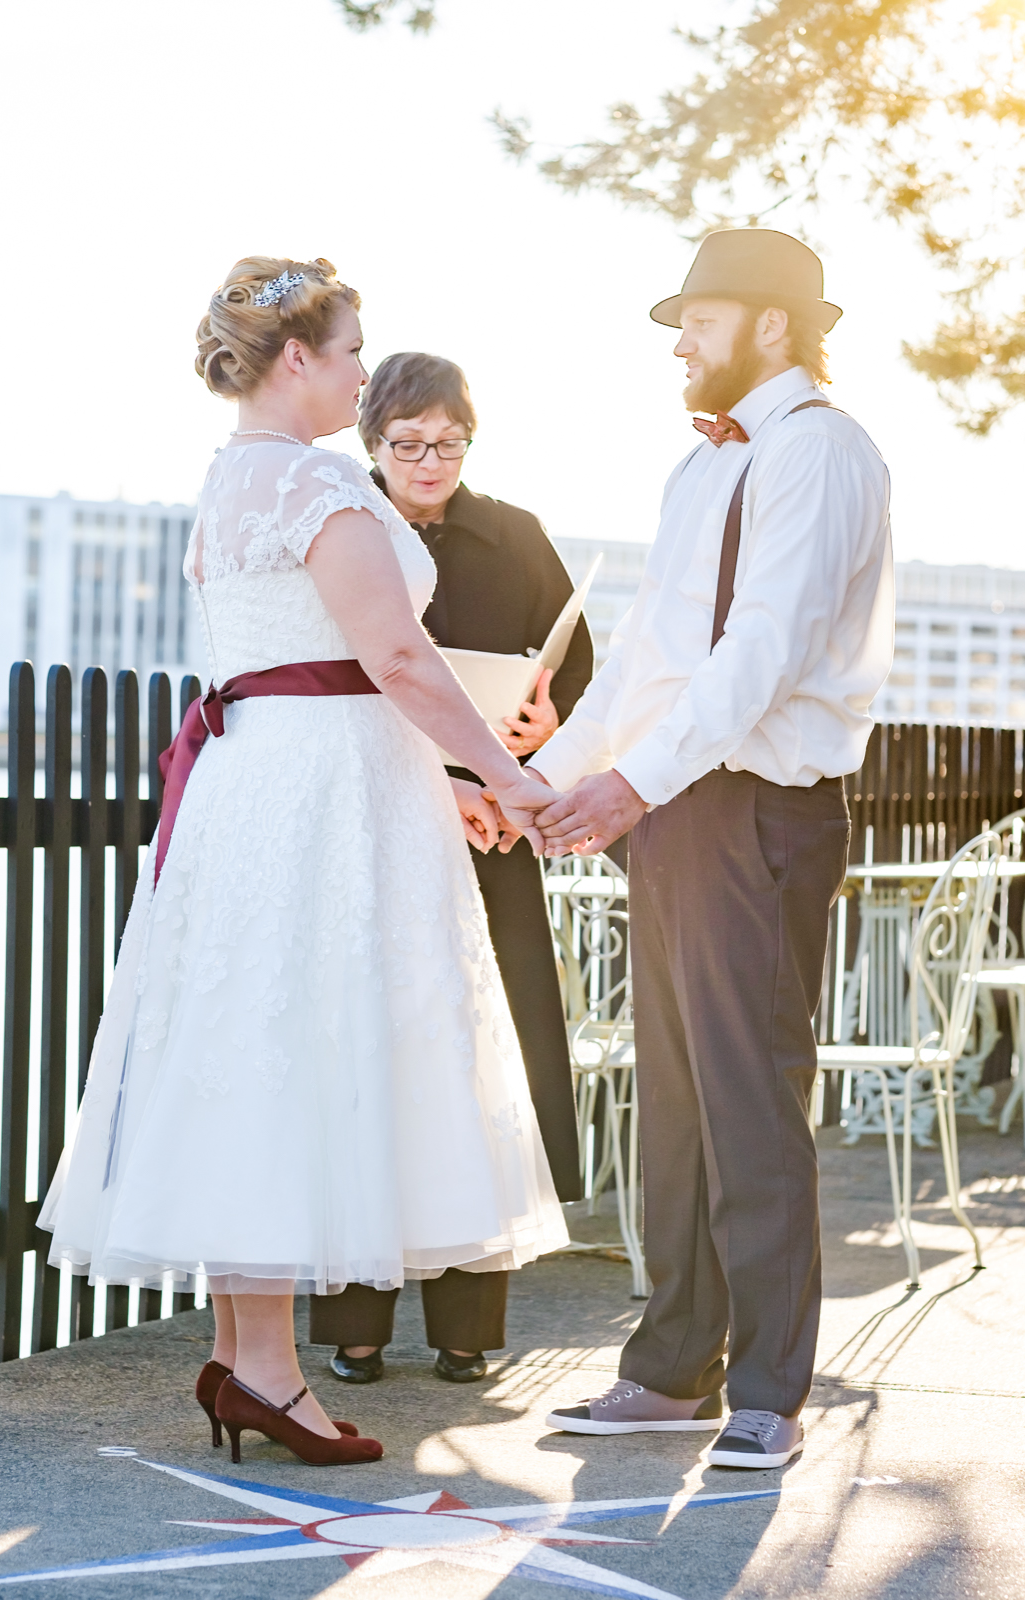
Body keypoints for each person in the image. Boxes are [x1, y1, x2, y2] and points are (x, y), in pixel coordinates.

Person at [35, 255, 570, 1468]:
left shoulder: (235, 479)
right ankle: (266, 1369)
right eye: (349, 353)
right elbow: (400, 660)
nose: (363, 370)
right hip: (322, 792)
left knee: (258, 1047)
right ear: (295, 361)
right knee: (300, 1045)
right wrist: (513, 778)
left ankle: (245, 1352)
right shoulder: (320, 486)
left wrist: (446, 785)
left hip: (267, 779)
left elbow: (335, 669)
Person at [530, 228, 893, 1472]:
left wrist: (628, 782)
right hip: (681, 807)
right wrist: (549, 782)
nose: (678, 341)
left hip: (758, 810)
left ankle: (771, 1392)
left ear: (776, 327)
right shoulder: (699, 473)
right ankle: (670, 1372)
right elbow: (642, 660)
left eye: (699, 316)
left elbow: (764, 652)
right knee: (673, 1106)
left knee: (749, 1103)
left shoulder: (823, 455)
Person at [308, 352, 595, 1388]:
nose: (431, 461)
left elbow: (579, 674)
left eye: (450, 442)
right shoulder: (346, 527)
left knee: (484, 1066)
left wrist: (546, 730)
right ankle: (353, 1323)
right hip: (377, 826)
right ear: (372, 444)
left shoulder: (516, 535)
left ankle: (470, 1329)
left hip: (494, 837)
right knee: (371, 1058)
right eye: (408, 444)